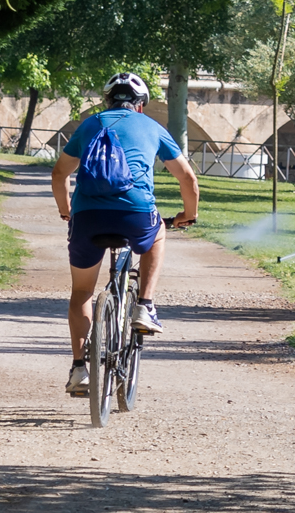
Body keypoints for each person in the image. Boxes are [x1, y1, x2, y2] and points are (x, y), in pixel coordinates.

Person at [51, 73, 199, 394]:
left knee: (82, 293)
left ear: (107, 101)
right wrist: (189, 215)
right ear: (141, 106)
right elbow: (187, 178)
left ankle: (79, 369)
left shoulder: (90, 125)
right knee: (158, 230)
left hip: (87, 216)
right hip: (136, 214)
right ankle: (144, 305)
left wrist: (66, 211)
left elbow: (60, 173)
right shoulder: (152, 128)